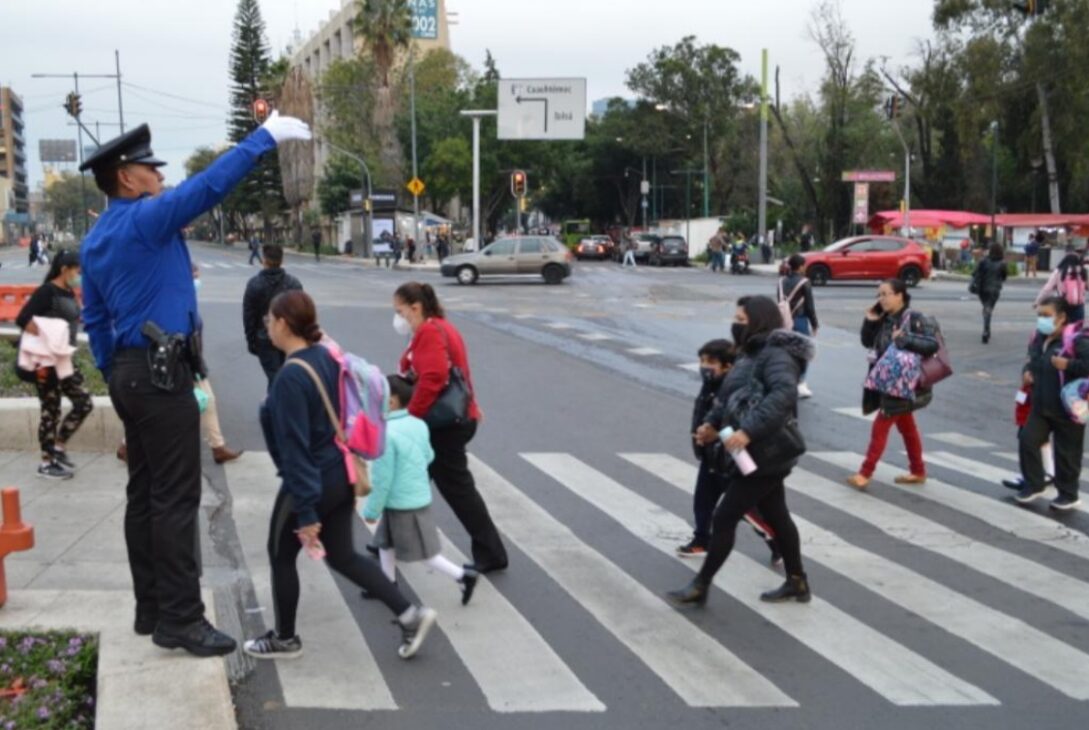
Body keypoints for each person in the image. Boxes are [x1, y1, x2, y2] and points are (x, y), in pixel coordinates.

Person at [79, 112, 311, 657]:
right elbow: (207, 188)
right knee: (177, 499)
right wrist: (263, 138)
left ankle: (153, 609)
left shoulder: (96, 239)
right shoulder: (144, 220)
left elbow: (94, 321)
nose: (160, 178)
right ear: (127, 177)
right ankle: (181, 620)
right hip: (161, 376)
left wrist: (117, 370)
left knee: (144, 495)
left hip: (132, 375)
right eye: (150, 169)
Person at [245, 291, 437, 659]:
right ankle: (410, 614)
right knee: (343, 556)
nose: (267, 326)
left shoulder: (289, 378)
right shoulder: (327, 357)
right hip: (341, 472)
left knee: (280, 555)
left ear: (284, 323)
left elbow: (296, 450)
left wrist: (305, 513)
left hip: (311, 480)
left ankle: (285, 638)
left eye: (270, 319)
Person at [671, 296, 813, 607]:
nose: (735, 324)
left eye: (741, 319)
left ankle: (701, 584)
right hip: (753, 453)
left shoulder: (776, 355)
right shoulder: (749, 355)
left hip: (770, 451)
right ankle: (797, 581)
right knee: (778, 515)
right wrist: (710, 425)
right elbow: (726, 399)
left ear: (758, 321)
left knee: (724, 517)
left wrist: (748, 430)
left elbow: (783, 395)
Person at [394, 282, 509, 573]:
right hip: (450, 420)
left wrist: (411, 417)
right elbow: (460, 374)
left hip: (443, 426)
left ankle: (492, 553)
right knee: (410, 480)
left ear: (415, 307)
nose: (398, 317)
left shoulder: (431, 331)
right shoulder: (440, 327)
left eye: (400, 311)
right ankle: (389, 541)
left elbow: (434, 377)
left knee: (457, 490)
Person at [360, 375, 480, 604]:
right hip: (415, 497)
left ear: (392, 402)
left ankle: (463, 576)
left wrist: (372, 509)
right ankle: (387, 585)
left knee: (424, 554)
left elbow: (383, 478)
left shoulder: (387, 434)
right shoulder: (418, 424)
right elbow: (429, 456)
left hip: (401, 504)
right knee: (385, 543)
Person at [677, 340, 783, 564]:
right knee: (703, 501)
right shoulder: (709, 386)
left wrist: (715, 433)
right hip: (710, 455)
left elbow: (738, 421)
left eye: (711, 362)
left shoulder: (735, 390)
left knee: (747, 510)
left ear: (728, 367)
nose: (704, 367)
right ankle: (701, 540)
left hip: (730, 457)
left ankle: (776, 541)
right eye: (702, 361)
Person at [846, 279, 939, 490]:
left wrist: (905, 339)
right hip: (889, 382)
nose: (881, 299)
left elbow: (932, 345)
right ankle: (918, 471)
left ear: (900, 295)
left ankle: (865, 472)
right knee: (907, 428)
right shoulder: (885, 318)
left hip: (904, 385)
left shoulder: (915, 318)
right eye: (879, 295)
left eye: (886, 294)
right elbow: (867, 342)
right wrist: (870, 320)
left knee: (880, 427)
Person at [15, 250, 94, 480]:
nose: (80, 275)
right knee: (51, 411)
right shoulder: (47, 291)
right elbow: (23, 318)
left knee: (83, 402)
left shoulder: (68, 291)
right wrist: (46, 339)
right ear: (65, 269)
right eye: (77, 271)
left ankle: (58, 448)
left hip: (63, 359)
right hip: (46, 361)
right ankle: (46, 463)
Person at [1012, 296, 1088, 511]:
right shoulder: (1038, 338)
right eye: (1039, 315)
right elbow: (1031, 362)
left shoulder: (1075, 340)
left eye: (1047, 316)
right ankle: (1035, 484)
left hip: (1068, 409)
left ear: (1061, 317)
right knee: (1027, 440)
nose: (1041, 320)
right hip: (1041, 405)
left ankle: (1068, 494)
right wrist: (1026, 373)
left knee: (1067, 453)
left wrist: (1069, 364)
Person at [191, 265, 242, 464]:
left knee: (208, 402)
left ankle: (218, 447)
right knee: (208, 401)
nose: (197, 281)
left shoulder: (188, 303)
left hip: (191, 362)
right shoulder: (181, 303)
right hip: (186, 362)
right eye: (194, 277)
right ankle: (217, 447)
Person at [243, 243, 303, 389]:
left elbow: (248, 315)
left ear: (264, 260)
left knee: (276, 379)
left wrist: (251, 340)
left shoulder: (254, 284)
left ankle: (277, 407)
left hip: (264, 338)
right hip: (289, 337)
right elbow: (301, 312)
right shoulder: (293, 283)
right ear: (281, 261)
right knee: (280, 377)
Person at [778, 254, 819, 398]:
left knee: (785, 352)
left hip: (783, 321)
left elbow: (780, 302)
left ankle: (784, 380)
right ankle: (800, 382)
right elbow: (809, 306)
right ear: (801, 266)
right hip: (800, 321)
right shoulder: (805, 282)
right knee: (803, 352)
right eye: (804, 265)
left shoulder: (781, 281)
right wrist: (814, 324)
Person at [1034, 246, 1087, 323]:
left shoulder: (1059, 271)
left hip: (1063, 304)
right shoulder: (1082, 271)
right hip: (1079, 306)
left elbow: (1047, 289)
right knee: (1076, 331)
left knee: (1062, 329)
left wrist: (1037, 301)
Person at [972, 242, 1008, 344]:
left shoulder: (983, 261)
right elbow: (1004, 277)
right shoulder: (1002, 263)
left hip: (982, 289)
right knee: (988, 308)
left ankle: (986, 329)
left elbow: (975, 273)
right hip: (995, 290)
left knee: (986, 307)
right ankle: (986, 330)